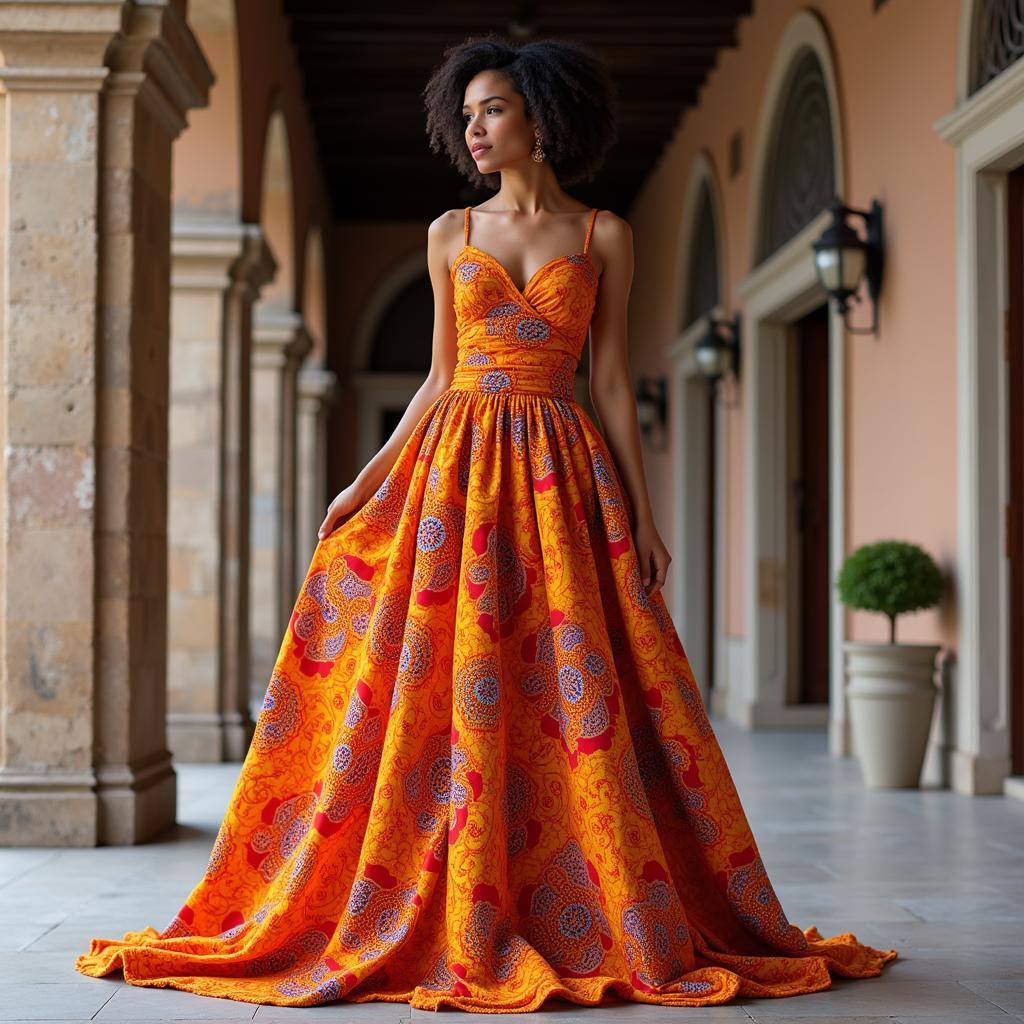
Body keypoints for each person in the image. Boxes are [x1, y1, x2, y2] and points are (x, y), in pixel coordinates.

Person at [75, 32, 898, 1013]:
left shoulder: (604, 235)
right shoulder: (448, 234)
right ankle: (447, 885)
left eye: (489, 110)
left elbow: (609, 384)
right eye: (464, 115)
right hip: (455, 474)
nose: (471, 128)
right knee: (446, 672)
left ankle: (580, 890)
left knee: (570, 676)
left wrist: (641, 511)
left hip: (561, 477)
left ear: (540, 119)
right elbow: (434, 381)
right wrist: (364, 479)